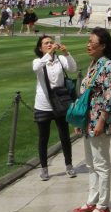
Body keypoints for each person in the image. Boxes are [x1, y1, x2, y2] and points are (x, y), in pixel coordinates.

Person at [72, 27, 111, 212]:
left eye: (93, 42)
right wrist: (80, 120)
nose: (88, 45)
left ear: (103, 46)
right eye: (88, 42)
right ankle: (92, 199)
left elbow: (108, 97)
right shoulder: (94, 64)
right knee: (91, 163)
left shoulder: (107, 66)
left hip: (99, 120)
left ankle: (103, 204)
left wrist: (101, 121)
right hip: (88, 120)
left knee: (101, 163)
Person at [32, 35, 78, 181]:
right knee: (43, 138)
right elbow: (36, 68)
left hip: (59, 103)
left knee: (64, 136)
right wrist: (48, 54)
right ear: (40, 48)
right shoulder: (39, 61)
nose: (50, 44)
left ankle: (69, 165)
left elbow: (73, 68)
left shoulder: (60, 59)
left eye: (51, 42)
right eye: (46, 43)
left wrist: (66, 53)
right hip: (43, 104)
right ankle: (44, 169)